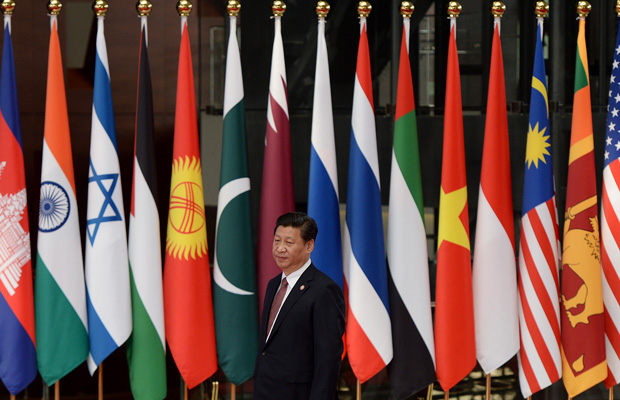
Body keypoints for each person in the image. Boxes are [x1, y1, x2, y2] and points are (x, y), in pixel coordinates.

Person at [253, 212, 345, 400]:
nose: (280, 248)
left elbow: (328, 359)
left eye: (288, 242)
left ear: (309, 245)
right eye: (277, 241)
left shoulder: (324, 290)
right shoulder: (273, 285)